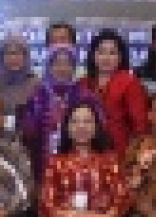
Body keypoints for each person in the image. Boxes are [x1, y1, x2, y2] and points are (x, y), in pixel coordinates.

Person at [19, 44, 99, 181]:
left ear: (74, 67)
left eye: (68, 63)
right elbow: (27, 133)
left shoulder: (85, 95)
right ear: (49, 66)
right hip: (43, 164)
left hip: (80, 165)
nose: (62, 68)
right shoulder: (37, 96)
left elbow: (98, 129)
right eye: (57, 63)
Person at [78, 29, 149, 155]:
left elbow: (140, 125)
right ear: (93, 55)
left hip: (121, 152)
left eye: (112, 53)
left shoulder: (130, 83)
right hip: (87, 151)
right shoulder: (83, 83)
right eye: (101, 52)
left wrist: (134, 154)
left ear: (120, 57)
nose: (106, 58)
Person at [0, 35, 38, 123]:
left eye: (18, 54)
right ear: (2, 57)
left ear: (26, 57)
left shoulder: (37, 84)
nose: (13, 58)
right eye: (9, 54)